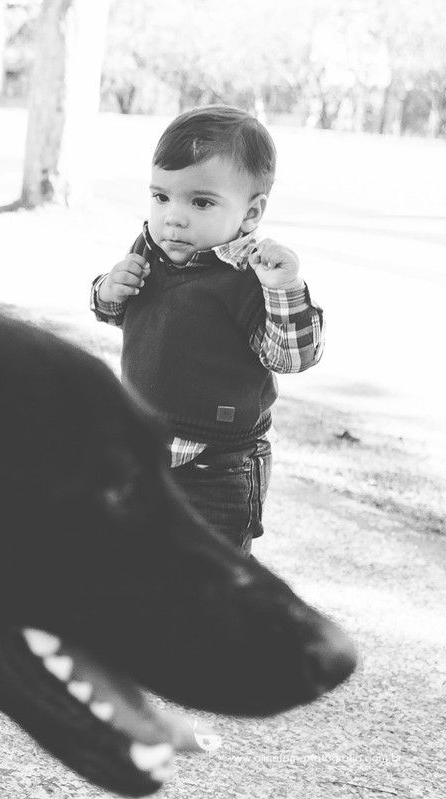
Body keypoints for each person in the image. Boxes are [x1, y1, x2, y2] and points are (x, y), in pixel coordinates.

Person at [90, 105, 324, 554]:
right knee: (134, 563)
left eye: (200, 202)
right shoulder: (150, 248)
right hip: (142, 445)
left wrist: (284, 289)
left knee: (212, 579)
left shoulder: (251, 276)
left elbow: (292, 356)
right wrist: (109, 291)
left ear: (251, 213)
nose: (173, 217)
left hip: (218, 466)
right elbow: (118, 314)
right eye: (161, 197)